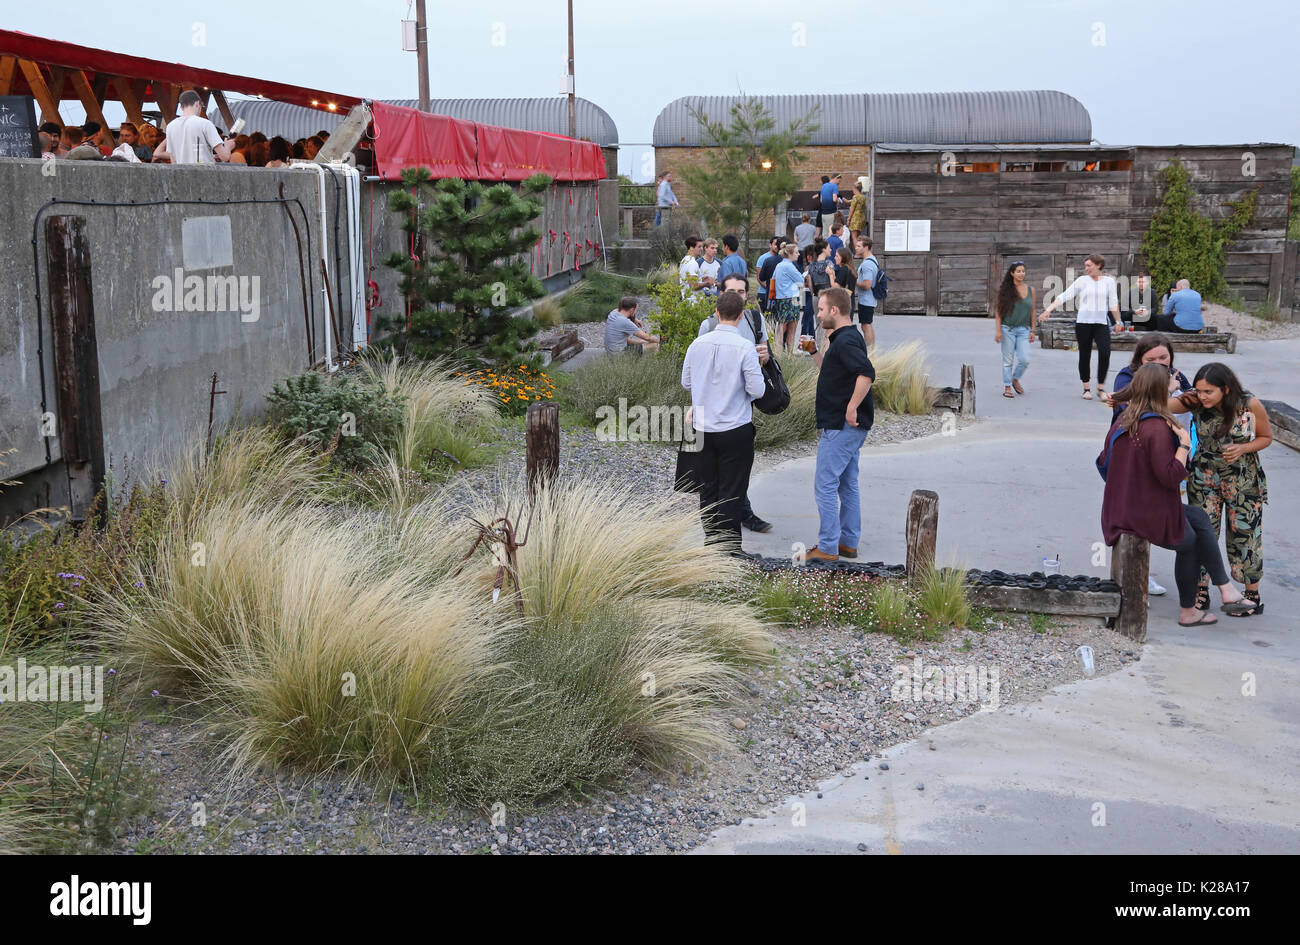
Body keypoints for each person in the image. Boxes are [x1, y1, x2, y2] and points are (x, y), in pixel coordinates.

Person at [1101, 364, 1257, 626]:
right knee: (1190, 542)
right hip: (1140, 514)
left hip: (1121, 506)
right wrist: (1184, 444)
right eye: (1170, 385)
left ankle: (1225, 588)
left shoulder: (1125, 418)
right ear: (1161, 390)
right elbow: (1171, 476)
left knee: (1197, 517)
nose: (1175, 387)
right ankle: (1190, 611)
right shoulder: (1158, 427)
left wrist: (1131, 481)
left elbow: (1102, 462)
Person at [1171, 363, 1271, 615]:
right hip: (1204, 478)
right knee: (1202, 533)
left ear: (1225, 389)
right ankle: (1201, 590)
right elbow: (1157, 405)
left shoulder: (1249, 404)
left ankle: (1251, 594)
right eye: (1199, 390)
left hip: (1243, 480)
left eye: (1209, 392)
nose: (1202, 396)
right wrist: (1171, 390)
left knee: (1245, 534)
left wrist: (1243, 448)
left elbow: (1266, 437)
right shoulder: (1194, 402)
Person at [681, 290, 765, 556]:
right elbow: (758, 390)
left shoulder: (697, 345)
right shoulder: (744, 347)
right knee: (733, 487)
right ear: (741, 316)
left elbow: (686, 382)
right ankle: (729, 548)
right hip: (735, 426)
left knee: (708, 487)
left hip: (703, 427)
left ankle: (711, 542)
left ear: (717, 314)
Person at [805, 287, 876, 562]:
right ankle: (847, 542)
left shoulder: (845, 341)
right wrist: (814, 352)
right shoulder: (846, 337)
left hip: (841, 425)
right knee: (847, 484)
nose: (819, 315)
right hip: (849, 427)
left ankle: (827, 548)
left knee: (824, 484)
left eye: (821, 309)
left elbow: (866, 373)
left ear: (835, 310)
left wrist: (851, 407)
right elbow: (834, 373)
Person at [699, 273, 773, 533]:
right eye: (732, 291)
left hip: (742, 403)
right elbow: (700, 372)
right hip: (717, 407)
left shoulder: (753, 318)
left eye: (742, 291)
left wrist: (762, 358)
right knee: (720, 475)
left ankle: (724, 527)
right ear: (721, 294)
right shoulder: (708, 326)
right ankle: (735, 522)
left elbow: (765, 351)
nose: (738, 296)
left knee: (734, 469)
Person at [1036, 254, 1121, 400]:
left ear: (1098, 265)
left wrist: (1118, 322)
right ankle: (1086, 388)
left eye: (1089, 265)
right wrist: (1048, 310)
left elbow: (1113, 303)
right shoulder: (1082, 281)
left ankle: (1100, 388)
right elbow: (1064, 296)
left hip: (1101, 324)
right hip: (1083, 323)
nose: (1086, 268)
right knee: (1085, 354)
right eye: (1086, 266)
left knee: (1105, 353)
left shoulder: (1109, 282)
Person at [1110, 333, 1193, 423]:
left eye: (1163, 357)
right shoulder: (1127, 377)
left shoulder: (1176, 375)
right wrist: (1169, 391)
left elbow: (1195, 401)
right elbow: (1134, 410)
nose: (1158, 363)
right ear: (1140, 359)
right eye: (1150, 360)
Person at [993, 261, 1036, 398]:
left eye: (1023, 271)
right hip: (1007, 329)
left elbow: (1033, 311)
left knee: (1025, 359)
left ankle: (1015, 379)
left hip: (1024, 330)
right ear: (1012, 273)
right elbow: (999, 312)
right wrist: (998, 331)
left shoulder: (1031, 290)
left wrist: (1033, 330)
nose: (1021, 273)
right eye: (1018, 271)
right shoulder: (1005, 291)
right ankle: (1007, 386)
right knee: (1008, 361)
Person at [155, 90, 232, 164]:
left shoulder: (170, 126)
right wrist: (228, 146)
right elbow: (225, 157)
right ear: (197, 103)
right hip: (204, 174)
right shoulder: (205, 123)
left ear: (181, 107)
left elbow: (174, 160)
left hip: (182, 175)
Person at [771, 243, 804, 354]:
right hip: (792, 298)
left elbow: (773, 279)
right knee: (792, 328)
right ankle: (789, 354)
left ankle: (778, 352)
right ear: (789, 253)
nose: (798, 254)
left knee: (781, 327)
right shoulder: (789, 266)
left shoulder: (779, 265)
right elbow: (801, 281)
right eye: (796, 252)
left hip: (780, 298)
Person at [854, 236, 881, 349]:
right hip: (869, 299)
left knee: (865, 326)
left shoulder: (867, 264)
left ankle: (869, 351)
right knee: (867, 324)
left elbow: (867, 284)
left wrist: (855, 281)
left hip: (866, 299)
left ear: (866, 247)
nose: (856, 248)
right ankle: (872, 349)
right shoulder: (872, 259)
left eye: (859, 246)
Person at [755, 236, 782, 313]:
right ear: (770, 245)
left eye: (778, 244)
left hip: (778, 294)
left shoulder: (782, 258)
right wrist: (770, 288)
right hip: (763, 293)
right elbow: (759, 277)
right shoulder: (763, 258)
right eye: (775, 244)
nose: (777, 246)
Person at [847, 178, 868, 246]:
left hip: (855, 218)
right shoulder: (863, 197)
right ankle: (860, 252)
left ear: (855, 189)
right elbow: (864, 207)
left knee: (854, 237)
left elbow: (852, 209)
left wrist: (848, 219)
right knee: (858, 236)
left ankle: (857, 253)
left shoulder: (855, 197)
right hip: (862, 217)